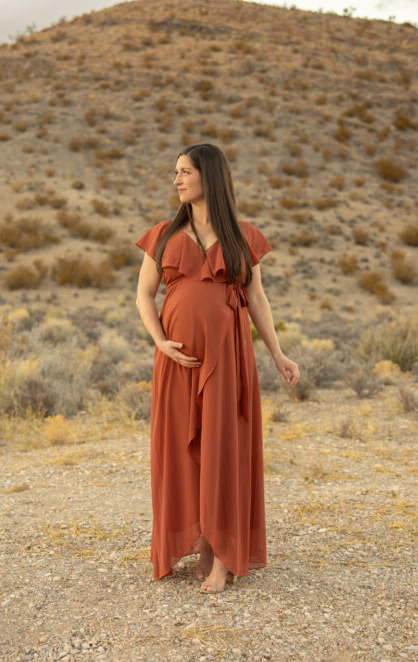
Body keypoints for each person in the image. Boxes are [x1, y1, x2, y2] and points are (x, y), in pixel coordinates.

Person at [134, 143, 300, 594]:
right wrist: (160, 342)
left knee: (224, 448)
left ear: (209, 176)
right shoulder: (164, 234)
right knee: (181, 450)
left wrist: (278, 354)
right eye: (175, 172)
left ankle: (224, 559)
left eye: (185, 171)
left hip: (229, 357)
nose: (176, 180)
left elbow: (258, 299)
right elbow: (143, 296)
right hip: (177, 361)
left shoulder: (242, 236)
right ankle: (197, 542)